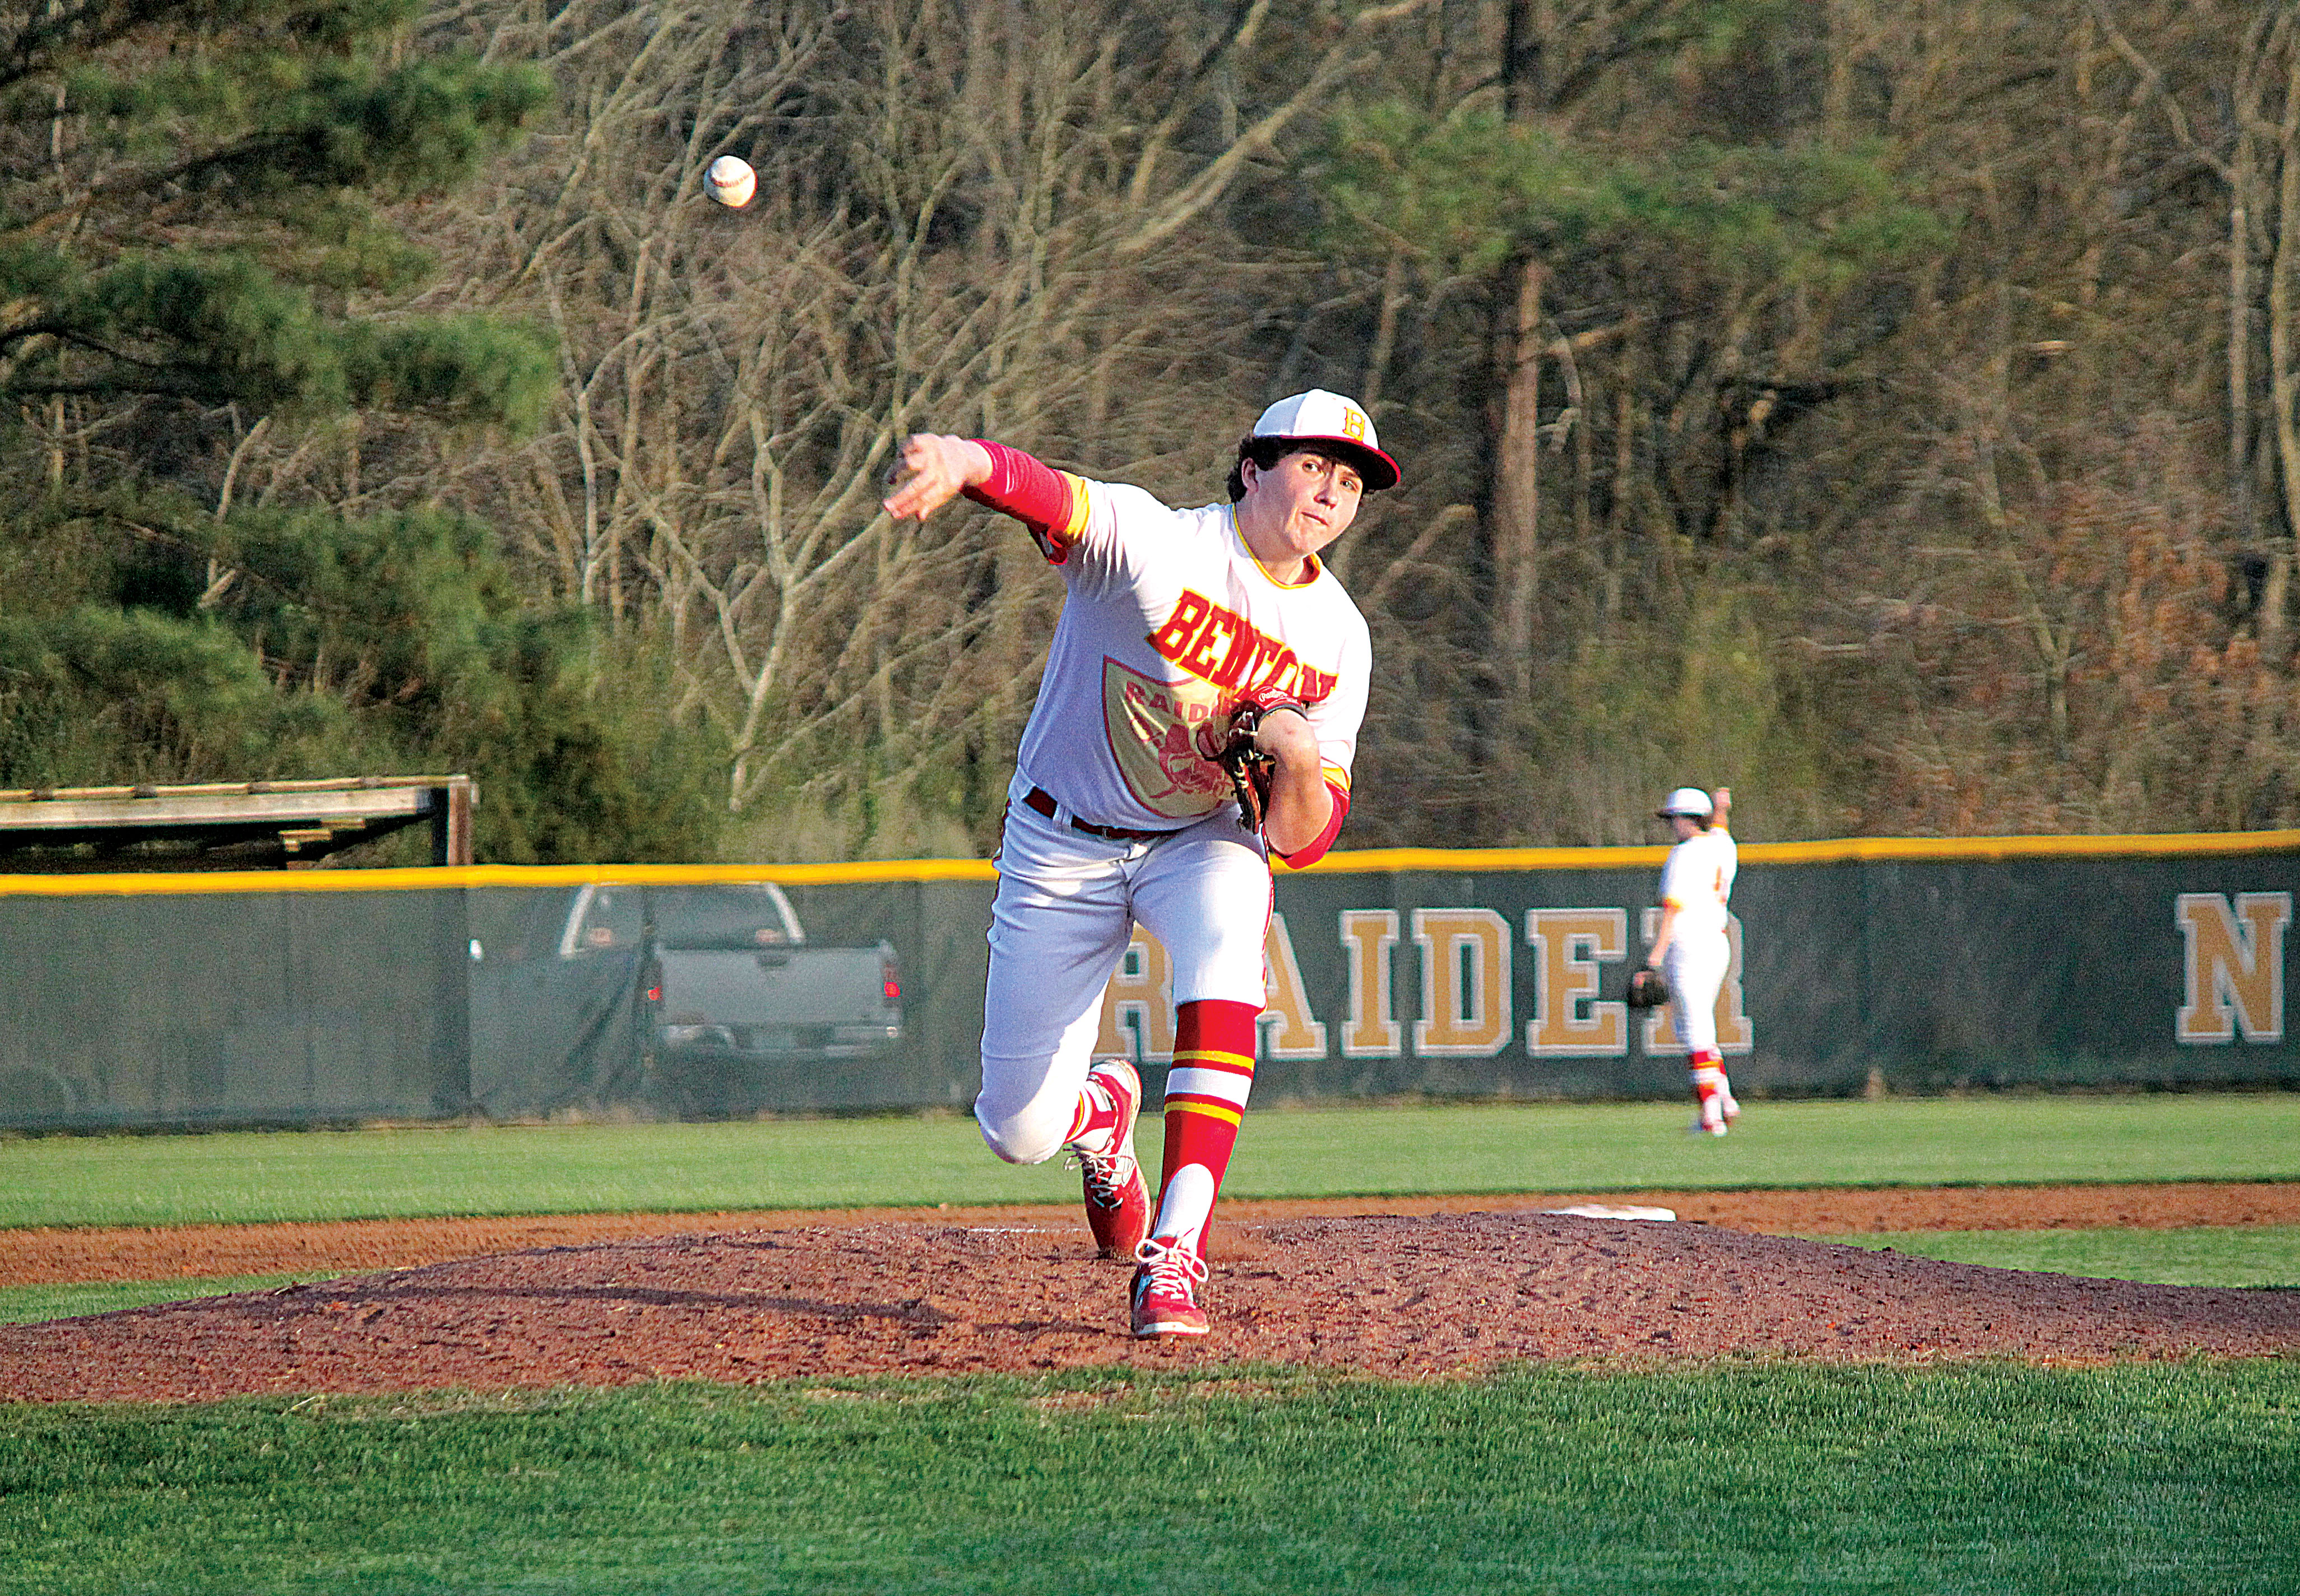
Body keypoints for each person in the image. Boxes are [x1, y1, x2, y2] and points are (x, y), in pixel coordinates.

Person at [880, 390, 1394, 1337]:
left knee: (1230, 952)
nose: (1333, 491)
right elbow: (1048, 494)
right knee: (1017, 1130)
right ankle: (1099, 1117)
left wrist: (1291, 754)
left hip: (1199, 840)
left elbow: (1301, 839)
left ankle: (1175, 1253)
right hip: (1060, 839)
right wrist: (961, 459)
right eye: (1314, 465)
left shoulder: (1339, 636)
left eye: (1352, 481)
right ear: (1253, 467)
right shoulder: (1158, 544)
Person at [1641, 785, 1741, 1135]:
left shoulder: (1682, 855)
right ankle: (1726, 1101)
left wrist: (1653, 960)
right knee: (1695, 1028)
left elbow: (1672, 910)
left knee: (1695, 1031)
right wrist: (1722, 809)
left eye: (1674, 819)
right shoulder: (1722, 846)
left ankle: (1711, 1117)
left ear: (1688, 819)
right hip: (1718, 945)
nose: (1672, 825)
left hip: (1688, 947)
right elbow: (1721, 828)